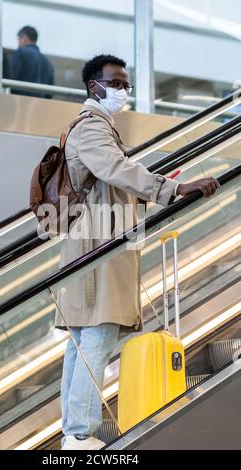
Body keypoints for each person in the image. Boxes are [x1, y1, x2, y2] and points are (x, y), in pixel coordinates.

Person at [56, 54, 220, 451]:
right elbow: (116, 170)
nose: (123, 91)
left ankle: (74, 431)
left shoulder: (97, 127)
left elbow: (112, 179)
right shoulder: (92, 127)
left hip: (94, 245)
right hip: (98, 250)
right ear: (94, 86)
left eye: (126, 84)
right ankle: (79, 433)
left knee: (84, 338)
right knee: (96, 335)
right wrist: (172, 189)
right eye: (115, 83)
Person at [11, 26, 54, 98]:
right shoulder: (48, 63)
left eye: (19, 39)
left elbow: (12, 79)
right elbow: (49, 93)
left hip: (20, 102)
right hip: (41, 105)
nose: (18, 43)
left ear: (24, 38)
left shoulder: (20, 53)